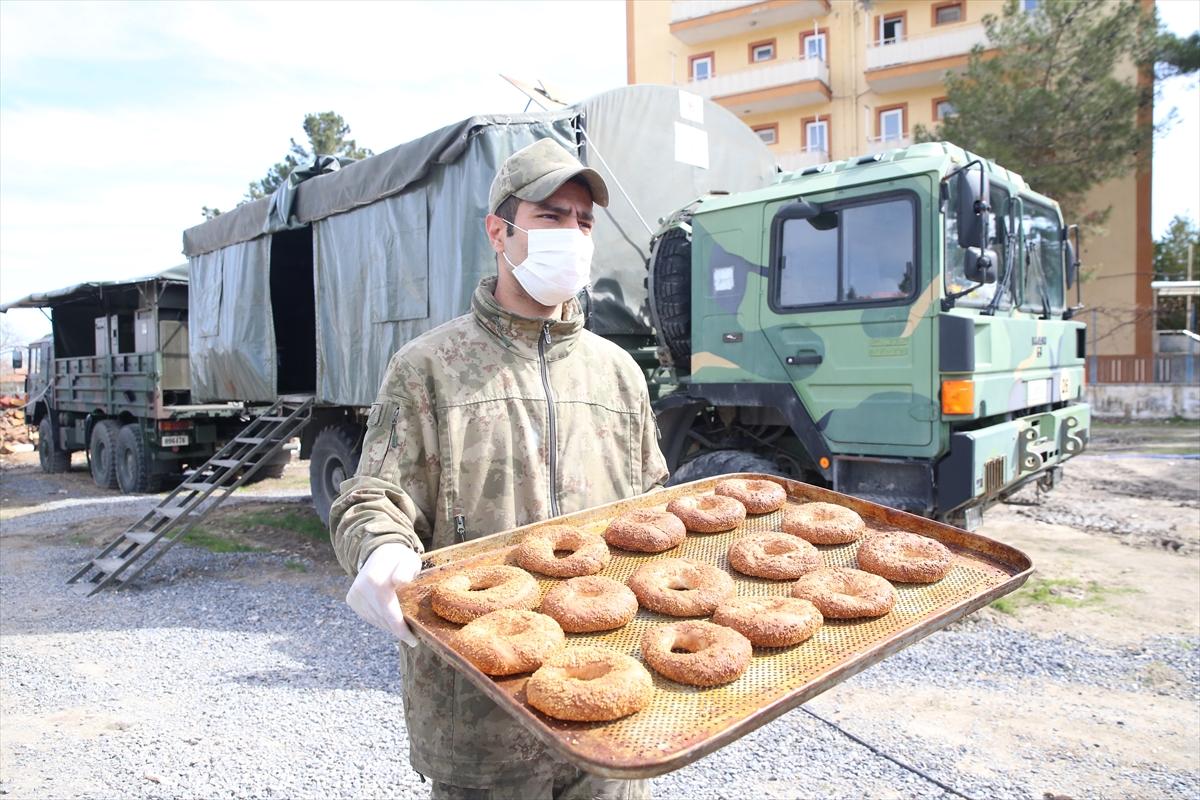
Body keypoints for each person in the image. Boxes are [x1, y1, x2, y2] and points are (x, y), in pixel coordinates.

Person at [330, 137, 669, 800]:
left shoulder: (617, 373)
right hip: (480, 721)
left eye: (584, 221)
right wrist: (380, 549)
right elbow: (373, 498)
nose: (572, 234)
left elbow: (652, 509)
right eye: (551, 217)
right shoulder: (431, 367)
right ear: (500, 231)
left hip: (608, 700)